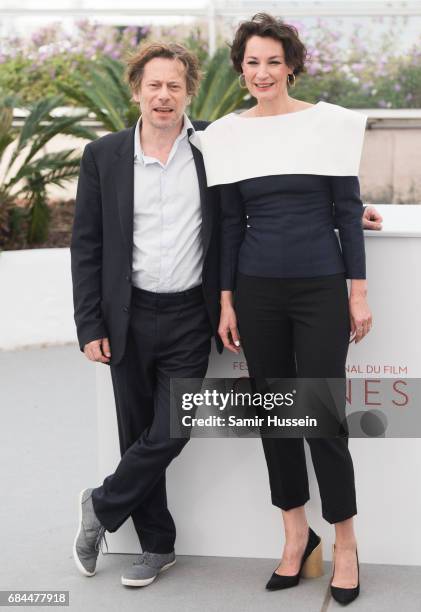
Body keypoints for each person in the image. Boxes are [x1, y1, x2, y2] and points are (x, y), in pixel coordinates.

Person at [71, 38, 382, 590]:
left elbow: (322, 193)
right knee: (211, 421)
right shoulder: (152, 149)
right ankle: (218, 542)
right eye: (153, 86)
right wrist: (94, 323)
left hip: (258, 299)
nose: (163, 96)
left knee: (298, 419)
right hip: (186, 303)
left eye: (174, 86)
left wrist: (357, 247)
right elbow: (98, 245)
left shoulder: (243, 138)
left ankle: (344, 544)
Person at [193, 13, 373, 606]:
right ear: (240, 69)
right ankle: (296, 535)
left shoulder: (331, 126)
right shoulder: (225, 134)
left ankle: (346, 544)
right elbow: (226, 224)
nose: (262, 72)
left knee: (322, 418)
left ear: (291, 65)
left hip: (320, 287)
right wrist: (226, 300)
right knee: (275, 417)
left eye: (273, 61)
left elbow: (347, 212)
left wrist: (358, 291)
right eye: (252, 62)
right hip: (255, 291)